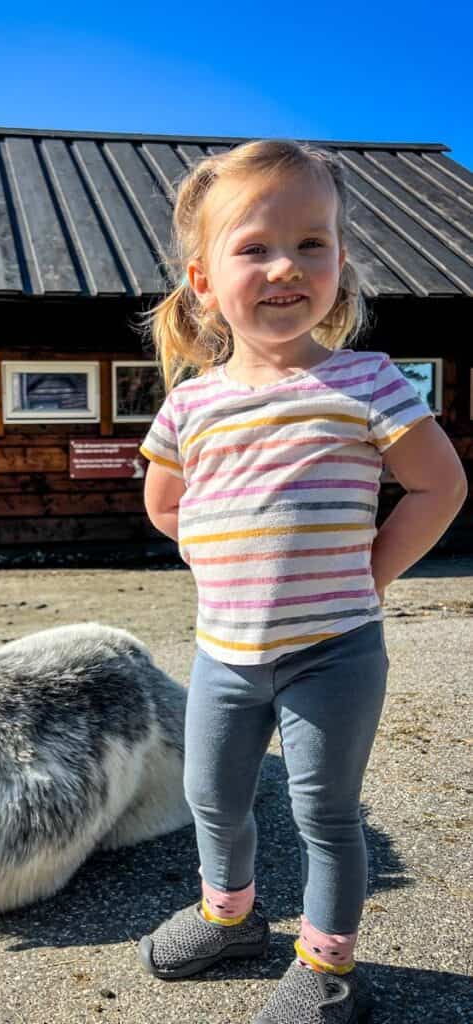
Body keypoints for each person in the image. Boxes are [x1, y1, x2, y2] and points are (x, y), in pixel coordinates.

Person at [137, 139, 467, 1024]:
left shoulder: (365, 381)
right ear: (203, 279)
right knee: (213, 795)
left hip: (335, 652)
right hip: (222, 652)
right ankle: (228, 919)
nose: (285, 266)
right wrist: (228, 558)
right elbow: (165, 506)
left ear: (339, 261)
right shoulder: (189, 403)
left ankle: (324, 968)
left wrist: (371, 574)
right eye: (254, 247)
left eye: (311, 243)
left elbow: (441, 486)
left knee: (324, 812)